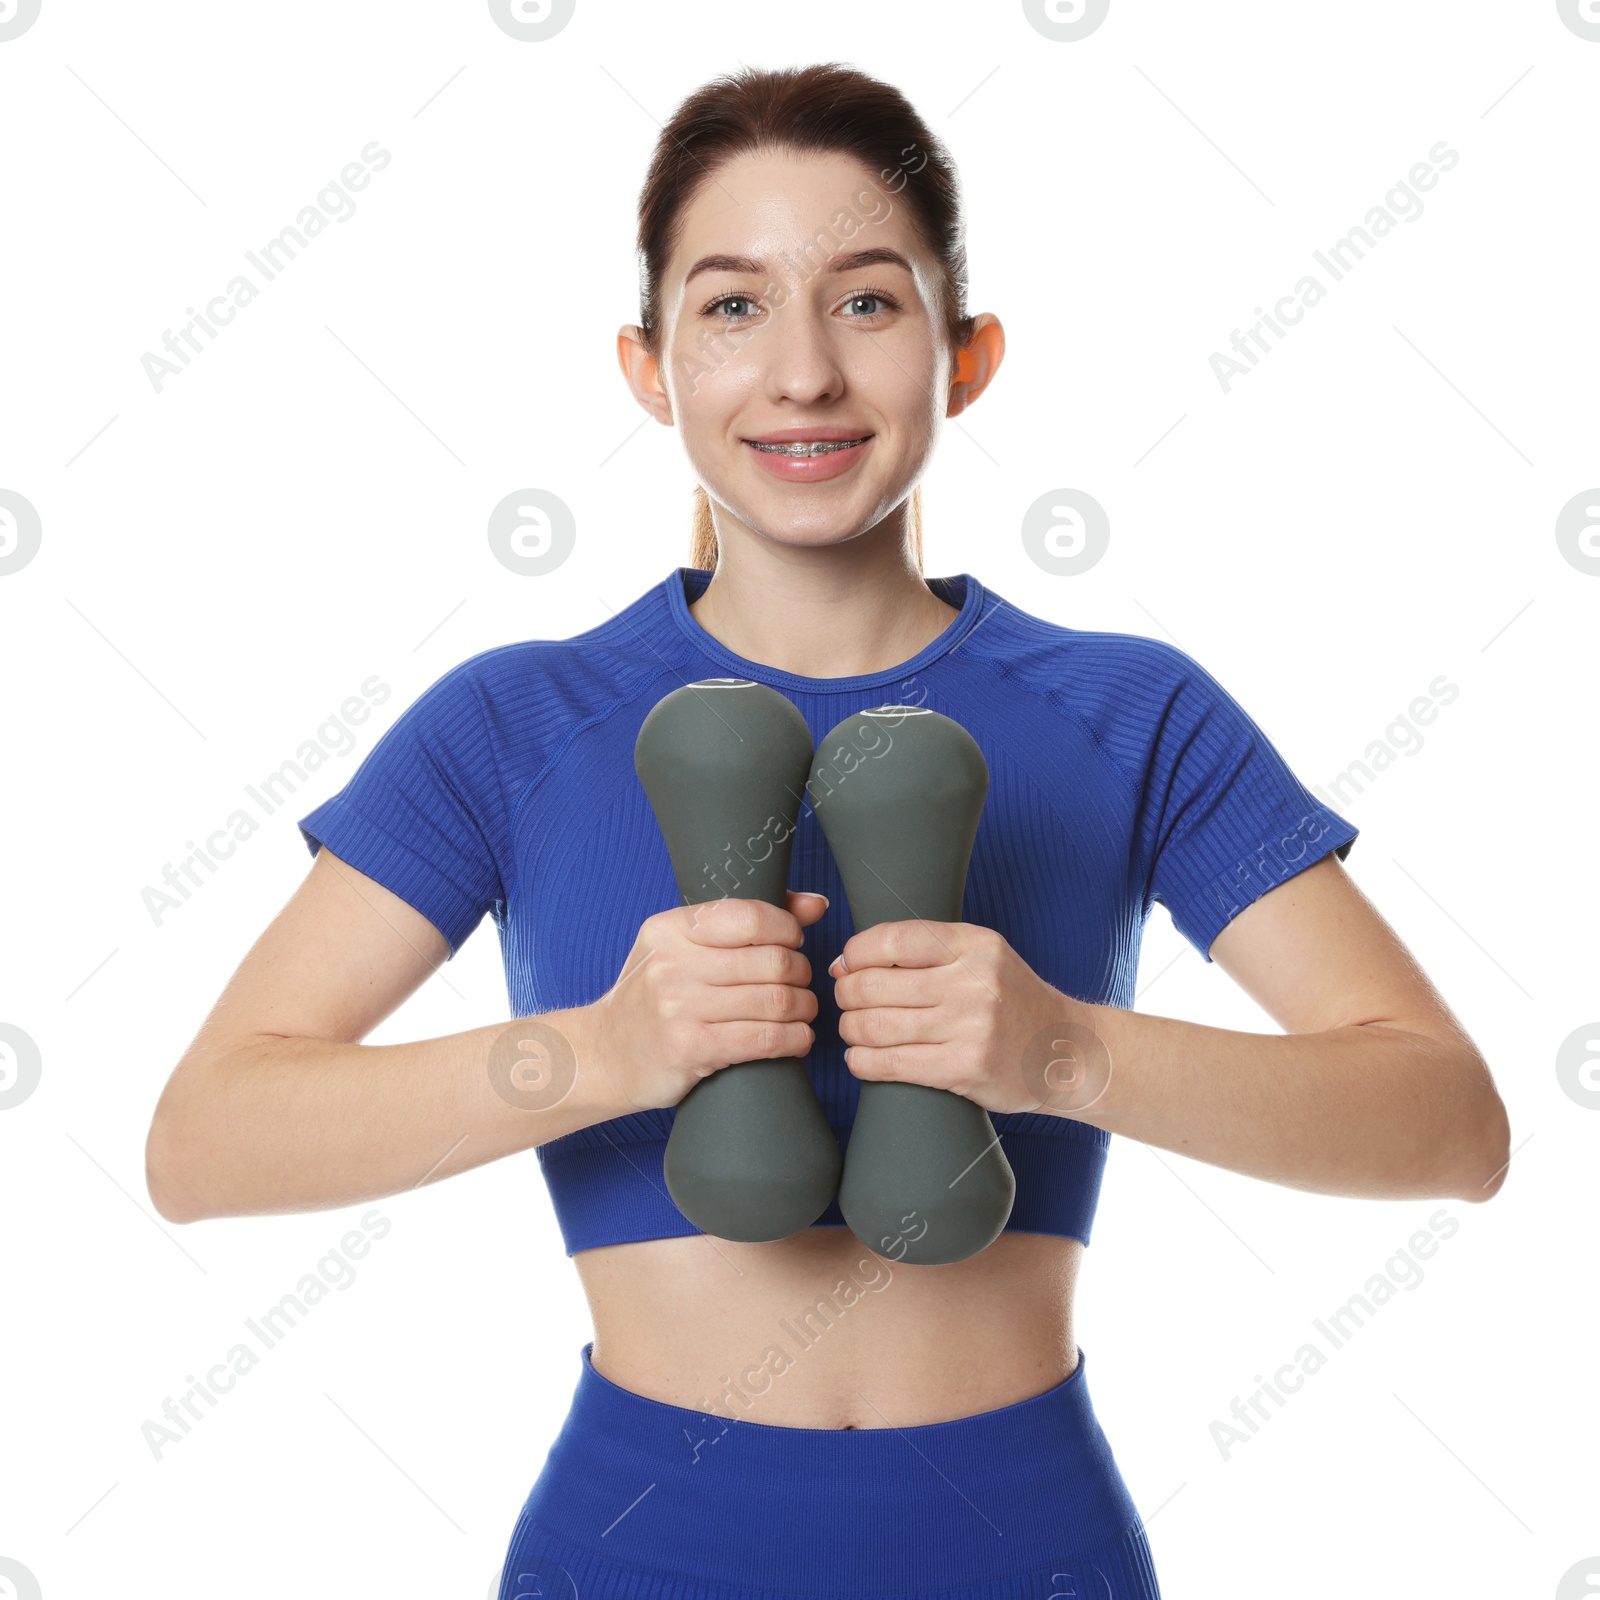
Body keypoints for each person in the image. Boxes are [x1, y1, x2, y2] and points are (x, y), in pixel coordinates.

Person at [144, 62, 1512, 1600]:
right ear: (647, 366)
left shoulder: (1132, 712)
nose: (800, 374)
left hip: (1027, 1539)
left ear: (967, 355)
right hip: (640, 1547)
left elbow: (1450, 1126)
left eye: (867, 302)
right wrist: (594, 1055)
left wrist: (1062, 1054)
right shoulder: (512, 724)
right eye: (730, 307)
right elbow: (204, 1145)